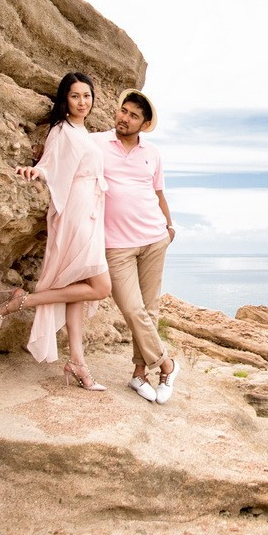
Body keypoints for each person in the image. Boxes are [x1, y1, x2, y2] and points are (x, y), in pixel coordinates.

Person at [0, 71, 113, 391]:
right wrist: (34, 170)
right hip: (76, 211)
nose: (82, 102)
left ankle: (78, 363)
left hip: (91, 210)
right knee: (101, 286)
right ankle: (20, 303)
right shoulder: (62, 130)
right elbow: (50, 164)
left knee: (80, 285)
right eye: (75, 96)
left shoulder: (85, 132)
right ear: (65, 99)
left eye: (87, 96)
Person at [102, 89, 179, 403]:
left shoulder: (153, 154)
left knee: (149, 310)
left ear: (143, 123)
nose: (125, 118)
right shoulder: (97, 143)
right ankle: (167, 364)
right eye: (123, 111)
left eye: (133, 115)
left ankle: (138, 374)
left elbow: (158, 193)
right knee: (133, 310)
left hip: (153, 238)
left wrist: (169, 226)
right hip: (116, 244)